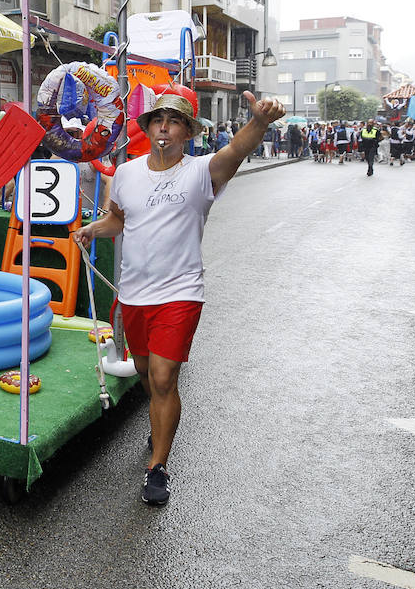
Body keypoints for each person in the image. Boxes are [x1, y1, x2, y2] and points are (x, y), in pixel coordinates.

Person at [72, 88, 286, 506]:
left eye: (173, 121)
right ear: (149, 128)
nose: (163, 127)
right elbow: (119, 219)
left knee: (165, 378)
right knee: (145, 370)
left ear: (187, 132)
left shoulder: (202, 171)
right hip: (134, 294)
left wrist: (259, 122)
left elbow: (237, 150)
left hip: (180, 293)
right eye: (157, 120)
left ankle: (157, 467)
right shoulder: (126, 173)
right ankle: (161, 417)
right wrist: (93, 229)